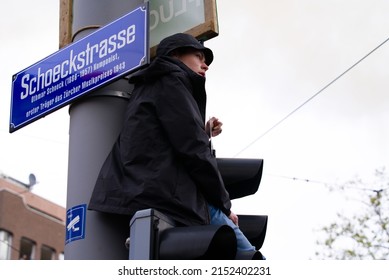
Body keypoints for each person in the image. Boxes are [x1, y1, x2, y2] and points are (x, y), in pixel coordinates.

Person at [88, 33, 262, 258]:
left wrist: (203, 131)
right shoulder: (171, 80)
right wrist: (225, 205)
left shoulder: (153, 84)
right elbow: (194, 150)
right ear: (175, 55)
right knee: (249, 256)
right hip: (168, 194)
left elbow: (167, 139)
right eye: (199, 56)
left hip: (147, 190)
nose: (205, 65)